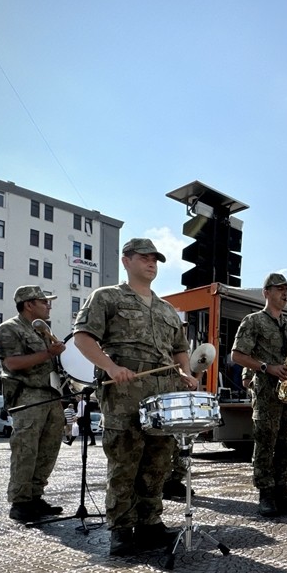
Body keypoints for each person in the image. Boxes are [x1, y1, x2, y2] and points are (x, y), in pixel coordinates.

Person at [73, 238, 198, 556]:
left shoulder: (167, 309)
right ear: (126, 261)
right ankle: (121, 528)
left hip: (163, 388)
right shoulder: (107, 297)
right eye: (144, 257)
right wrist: (110, 367)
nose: (151, 263)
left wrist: (183, 373)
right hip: (124, 390)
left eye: (155, 258)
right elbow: (83, 337)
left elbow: (180, 349)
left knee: (158, 459)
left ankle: (149, 523)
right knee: (125, 458)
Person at [230, 272, 287, 516]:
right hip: (267, 391)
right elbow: (237, 355)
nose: (284, 293)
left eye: (286, 289)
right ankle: (265, 494)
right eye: (279, 289)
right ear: (266, 292)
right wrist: (268, 367)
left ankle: (281, 490)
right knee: (266, 444)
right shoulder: (253, 321)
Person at [0, 285, 67, 522]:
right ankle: (20, 502)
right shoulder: (9, 329)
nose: (49, 306)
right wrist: (49, 353)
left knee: (48, 450)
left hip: (51, 395)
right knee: (26, 450)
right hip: (29, 395)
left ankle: (35, 496)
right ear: (28, 304)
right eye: (44, 301)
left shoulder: (42, 330)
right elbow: (13, 363)